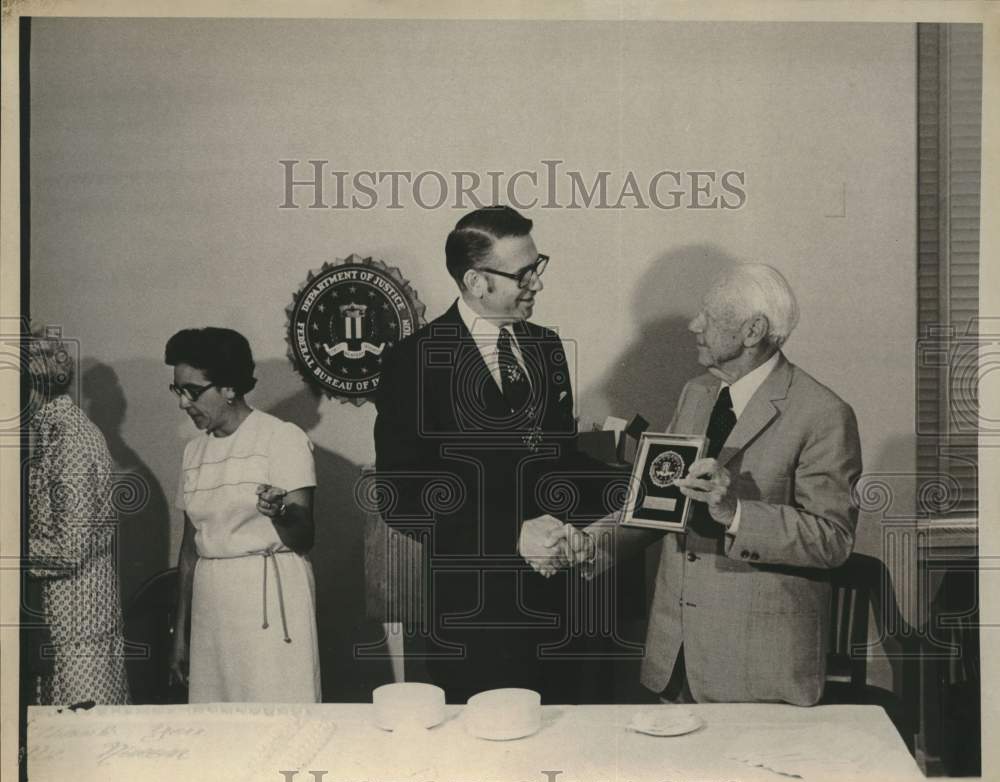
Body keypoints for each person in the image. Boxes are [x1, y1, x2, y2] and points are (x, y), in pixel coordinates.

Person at [525, 263, 863, 706]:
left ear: (753, 330)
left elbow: (833, 540)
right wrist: (592, 542)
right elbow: (656, 503)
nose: (693, 324)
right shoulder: (696, 394)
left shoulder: (822, 413)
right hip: (676, 661)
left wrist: (735, 513)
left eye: (709, 315)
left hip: (759, 674)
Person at [374, 206, 614, 704]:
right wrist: (510, 534)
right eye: (524, 274)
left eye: (537, 266)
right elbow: (402, 496)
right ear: (475, 281)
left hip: (562, 608)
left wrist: (646, 483)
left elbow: (560, 464)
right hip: (475, 621)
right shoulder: (413, 361)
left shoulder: (546, 348)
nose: (537, 285)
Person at [165, 327, 320, 702]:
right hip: (211, 606)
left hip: (268, 597)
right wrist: (181, 635)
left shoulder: (281, 438)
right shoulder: (193, 453)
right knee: (218, 728)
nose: (184, 403)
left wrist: (279, 511)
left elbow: (304, 536)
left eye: (193, 391)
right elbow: (189, 551)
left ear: (229, 388)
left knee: (276, 716)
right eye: (178, 390)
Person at [25, 323, 130, 705]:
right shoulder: (53, 434)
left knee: (86, 742)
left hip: (80, 629)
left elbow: (69, 548)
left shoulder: (71, 440)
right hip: (66, 625)